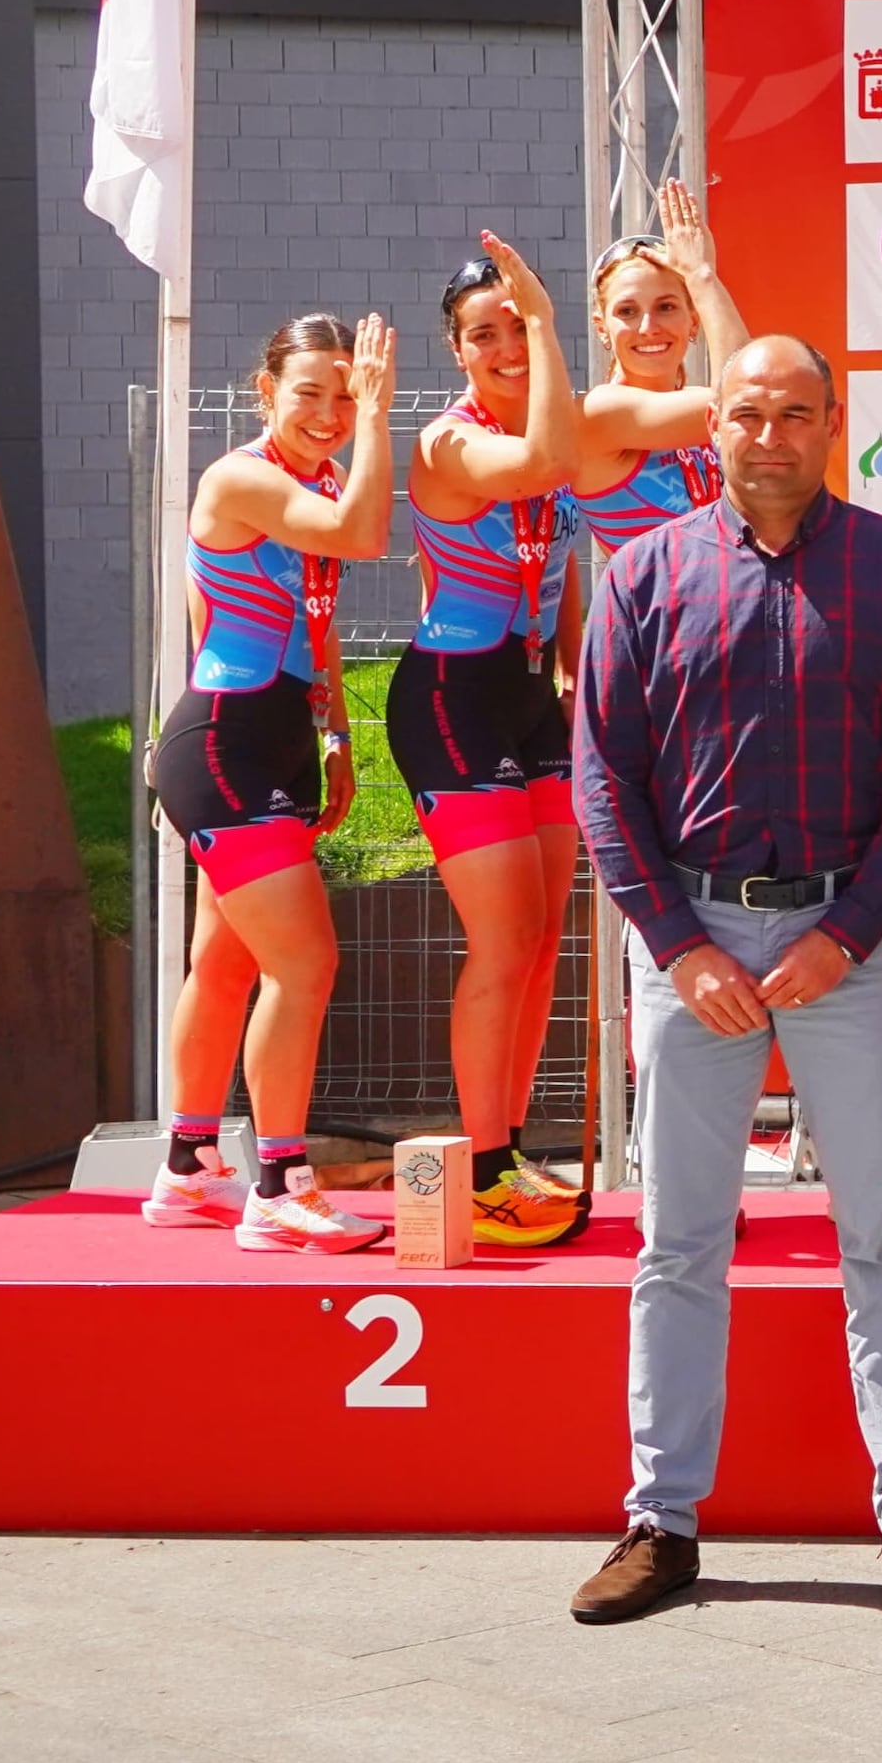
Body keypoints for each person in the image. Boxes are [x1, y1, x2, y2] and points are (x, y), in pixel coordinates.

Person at [565, 336, 882, 1623]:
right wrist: (676, 947)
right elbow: (601, 782)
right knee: (678, 1246)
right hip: (693, 949)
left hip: (846, 950)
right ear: (716, 429)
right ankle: (660, 1520)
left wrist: (844, 933)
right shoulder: (643, 577)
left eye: (795, 413)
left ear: (831, 424)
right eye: (747, 412)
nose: (770, 434)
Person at [146, 311, 399, 1254]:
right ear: (266, 393)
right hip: (223, 745)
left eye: (346, 391)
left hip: (281, 737)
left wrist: (334, 733)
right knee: (307, 963)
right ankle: (280, 1184)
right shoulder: (241, 477)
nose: (332, 412)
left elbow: (318, 620)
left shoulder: (320, 476)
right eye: (312, 392)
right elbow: (363, 535)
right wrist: (378, 413)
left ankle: (184, 1166)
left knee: (228, 962)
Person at [390, 233, 593, 1253]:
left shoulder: (551, 432)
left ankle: (505, 1154)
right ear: (457, 352)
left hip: (528, 697)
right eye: (484, 334)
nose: (504, 345)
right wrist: (554, 325)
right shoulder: (448, 443)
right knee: (501, 941)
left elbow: (561, 570)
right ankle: (477, 1172)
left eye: (516, 325)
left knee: (546, 942)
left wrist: (580, 678)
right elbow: (548, 461)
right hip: (449, 699)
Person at [565, 180, 747, 564]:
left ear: (692, 320)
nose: (648, 327)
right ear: (602, 327)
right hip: (657, 622)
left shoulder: (696, 412)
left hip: (730, 615)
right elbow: (745, 397)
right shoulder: (602, 411)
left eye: (666, 307)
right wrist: (700, 276)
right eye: (627, 312)